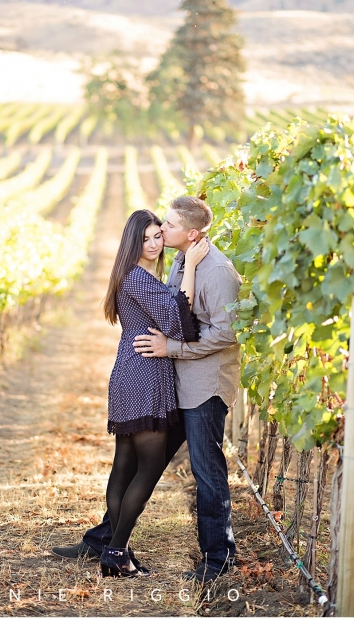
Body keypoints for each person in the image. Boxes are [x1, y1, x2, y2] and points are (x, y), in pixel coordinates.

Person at [52, 196, 242, 583]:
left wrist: (172, 347)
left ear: (190, 233)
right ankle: (109, 544)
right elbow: (173, 314)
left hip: (201, 387)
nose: (160, 236)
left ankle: (216, 560)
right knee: (140, 464)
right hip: (160, 382)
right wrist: (170, 342)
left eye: (166, 228)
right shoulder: (174, 262)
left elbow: (223, 332)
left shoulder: (218, 271)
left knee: (203, 471)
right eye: (153, 233)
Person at [97, 209, 207, 577]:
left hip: (130, 371)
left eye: (157, 235)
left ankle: (118, 550)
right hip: (144, 374)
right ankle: (115, 551)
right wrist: (190, 265)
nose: (154, 243)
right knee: (146, 467)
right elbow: (178, 320)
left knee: (125, 465)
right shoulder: (138, 278)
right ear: (133, 243)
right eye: (145, 239)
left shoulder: (136, 276)